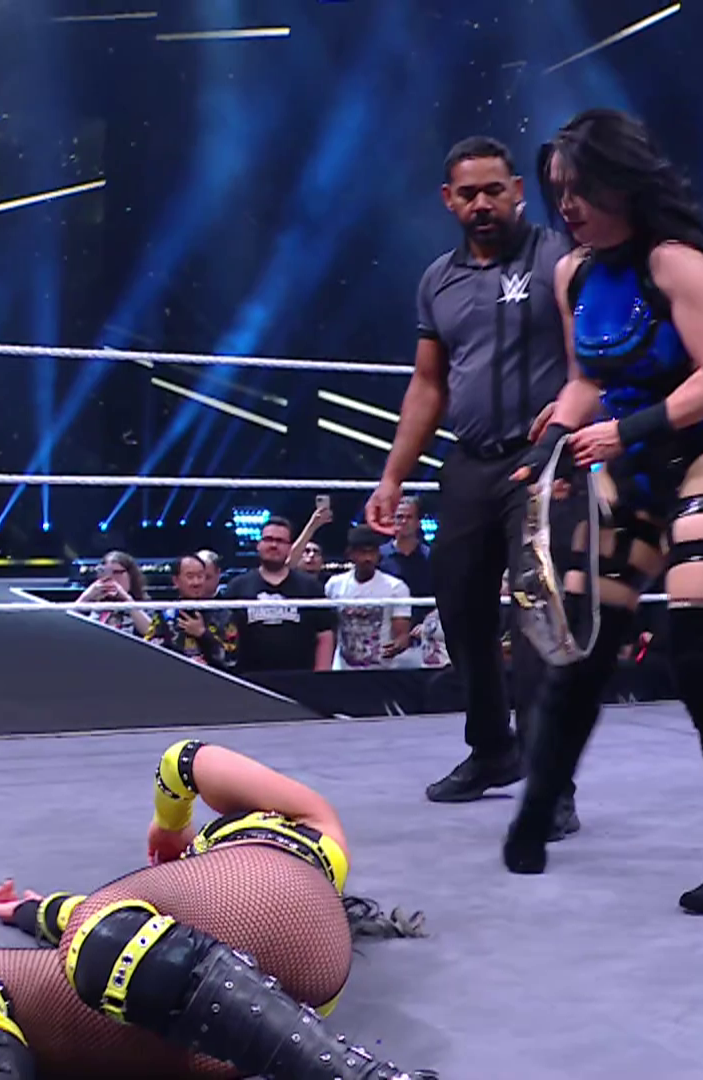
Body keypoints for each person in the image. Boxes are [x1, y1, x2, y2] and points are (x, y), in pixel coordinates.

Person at [496, 108, 703, 916]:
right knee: (582, 649)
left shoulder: (675, 262)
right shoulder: (574, 274)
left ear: (622, 182)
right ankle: (536, 813)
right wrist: (553, 435)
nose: (568, 206)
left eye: (581, 188)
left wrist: (623, 431)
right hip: (625, 467)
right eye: (558, 190)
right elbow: (586, 378)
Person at [0, 740, 434, 1080]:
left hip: (282, 899)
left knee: (102, 931)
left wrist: (170, 825)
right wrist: (29, 911)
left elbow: (185, 760)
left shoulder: (308, 821)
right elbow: (103, 934)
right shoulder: (169, 914)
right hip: (215, 1023)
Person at [363, 135, 574, 824]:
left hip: (543, 461)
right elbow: (427, 384)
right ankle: (492, 750)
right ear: (448, 200)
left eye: (493, 190)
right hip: (469, 462)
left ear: (517, 191)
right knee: (459, 609)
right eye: (468, 193)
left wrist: (577, 429)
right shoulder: (438, 279)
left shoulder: (560, 256)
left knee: (539, 616)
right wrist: (394, 476)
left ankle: (551, 781)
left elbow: (591, 357)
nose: (482, 203)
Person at [223, 517, 335, 673]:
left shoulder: (310, 587)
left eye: (280, 541)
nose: (274, 545)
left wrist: (321, 675)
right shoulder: (237, 587)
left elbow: (325, 635)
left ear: (290, 547)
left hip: (301, 678)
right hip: (248, 678)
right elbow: (225, 635)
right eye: (268, 539)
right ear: (259, 545)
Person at [326, 525, 414, 670]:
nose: (368, 558)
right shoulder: (334, 585)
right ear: (350, 554)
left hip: (381, 669)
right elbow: (329, 629)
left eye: (372, 552)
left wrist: (398, 644)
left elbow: (402, 634)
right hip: (343, 667)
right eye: (362, 552)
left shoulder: (395, 587)